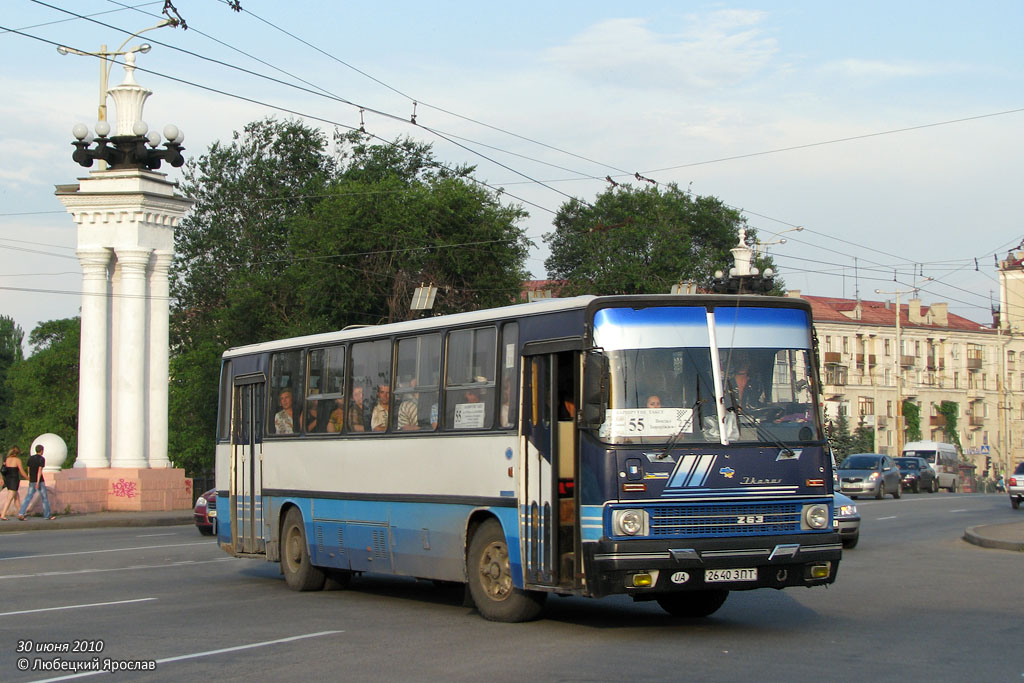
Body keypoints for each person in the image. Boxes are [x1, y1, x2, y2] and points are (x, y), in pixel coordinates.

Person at [18, 444, 54, 520]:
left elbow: (28, 468)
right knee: (44, 498)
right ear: (41, 451)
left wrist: (29, 478)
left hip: (32, 480)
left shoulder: (30, 458)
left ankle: (21, 513)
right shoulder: (41, 459)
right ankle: (47, 515)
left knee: (28, 497)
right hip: (39, 481)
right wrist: (37, 482)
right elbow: (39, 471)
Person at [1, 446, 28, 520]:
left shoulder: (6, 459)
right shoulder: (17, 460)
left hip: (8, 480)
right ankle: (3, 514)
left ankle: (21, 514)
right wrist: (28, 478)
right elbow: (22, 472)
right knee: (9, 498)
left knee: (16, 497)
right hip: (14, 480)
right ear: (17, 453)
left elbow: (3, 470)